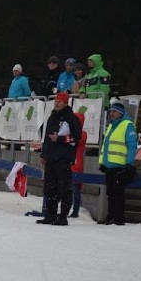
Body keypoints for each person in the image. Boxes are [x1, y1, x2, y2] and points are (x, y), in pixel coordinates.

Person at [36, 92, 82, 226]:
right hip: (50, 158)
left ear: (66, 103)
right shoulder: (51, 117)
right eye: (56, 101)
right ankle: (50, 215)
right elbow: (47, 138)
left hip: (63, 159)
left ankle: (63, 217)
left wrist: (61, 139)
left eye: (60, 101)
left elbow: (76, 138)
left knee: (64, 188)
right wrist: (44, 154)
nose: (57, 103)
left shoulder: (71, 118)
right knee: (50, 188)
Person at [98, 102, 137, 225]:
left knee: (118, 193)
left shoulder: (128, 125)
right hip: (109, 165)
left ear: (121, 112)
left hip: (120, 166)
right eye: (110, 111)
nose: (111, 113)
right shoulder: (111, 126)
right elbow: (106, 146)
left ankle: (118, 217)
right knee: (110, 192)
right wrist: (102, 163)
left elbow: (132, 146)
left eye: (114, 111)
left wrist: (129, 163)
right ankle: (111, 216)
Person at [70, 112, 87, 218]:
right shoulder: (69, 132)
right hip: (68, 163)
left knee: (75, 189)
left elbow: (73, 140)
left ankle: (75, 211)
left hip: (76, 165)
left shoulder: (83, 134)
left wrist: (61, 139)